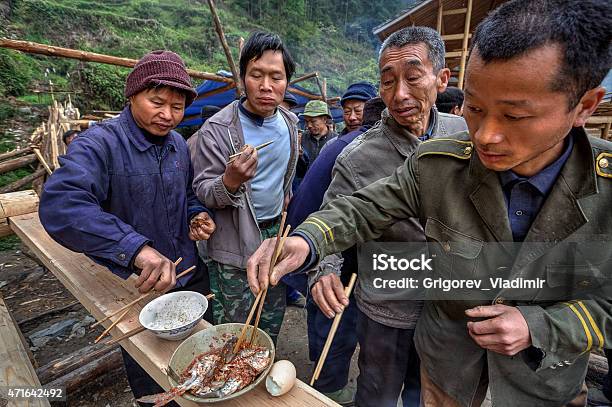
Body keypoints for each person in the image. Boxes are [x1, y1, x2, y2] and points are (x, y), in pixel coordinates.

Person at [248, 0, 612, 406]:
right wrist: (307, 242)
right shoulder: (438, 161)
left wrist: (544, 326)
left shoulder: (605, 190)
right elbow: (361, 207)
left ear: (584, 107)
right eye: (475, 108)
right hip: (444, 361)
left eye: (514, 116)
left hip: (542, 382)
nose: (486, 135)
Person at [39, 50, 216, 405]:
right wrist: (135, 249)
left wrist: (195, 214)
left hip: (189, 273)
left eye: (177, 107)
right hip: (138, 286)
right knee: (154, 382)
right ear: (132, 94)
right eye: (157, 102)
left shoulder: (179, 145)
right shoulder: (99, 143)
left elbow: (185, 194)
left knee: (202, 365)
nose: (168, 115)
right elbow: (61, 204)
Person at [307, 26, 467, 407]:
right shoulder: (359, 156)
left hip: (447, 307)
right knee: (377, 393)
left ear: (441, 79)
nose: (399, 95)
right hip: (386, 310)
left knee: (425, 392)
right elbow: (333, 216)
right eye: (388, 81)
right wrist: (324, 270)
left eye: (413, 78)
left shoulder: (462, 133)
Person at [190, 31, 298, 344]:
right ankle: (231, 384)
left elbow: (284, 180)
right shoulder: (217, 130)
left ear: (286, 81)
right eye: (256, 75)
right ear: (243, 78)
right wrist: (231, 180)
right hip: (232, 241)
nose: (266, 86)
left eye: (276, 77)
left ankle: (261, 376)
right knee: (234, 326)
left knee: (270, 314)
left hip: (274, 237)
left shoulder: (290, 124)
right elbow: (203, 191)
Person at [286, 96, 386, 405]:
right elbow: (349, 214)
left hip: (305, 237)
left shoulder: (344, 141)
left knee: (323, 308)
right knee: (338, 313)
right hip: (318, 242)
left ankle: (320, 366)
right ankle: (329, 386)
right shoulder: (367, 150)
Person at [301, 99, 337, 164]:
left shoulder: (336, 140)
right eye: (306, 121)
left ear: (325, 119)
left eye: (313, 121)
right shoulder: (301, 138)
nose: (309, 125)